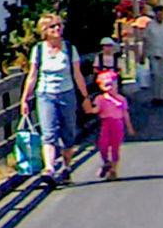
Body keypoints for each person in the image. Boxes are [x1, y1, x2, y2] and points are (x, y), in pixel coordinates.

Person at [20, 12, 91, 184]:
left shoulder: (69, 48)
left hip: (66, 93)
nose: (57, 29)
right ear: (44, 30)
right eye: (52, 26)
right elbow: (32, 76)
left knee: (68, 134)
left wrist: (85, 97)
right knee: (48, 133)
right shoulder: (38, 50)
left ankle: (66, 167)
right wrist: (25, 99)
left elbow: (77, 74)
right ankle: (50, 169)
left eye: (59, 25)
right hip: (45, 95)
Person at [92, 69, 133, 181]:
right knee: (103, 146)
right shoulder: (100, 99)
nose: (109, 87)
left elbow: (125, 114)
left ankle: (113, 171)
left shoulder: (121, 99)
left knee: (115, 147)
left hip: (117, 123)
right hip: (106, 123)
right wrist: (90, 109)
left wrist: (129, 127)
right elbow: (96, 110)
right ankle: (106, 162)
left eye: (112, 84)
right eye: (106, 85)